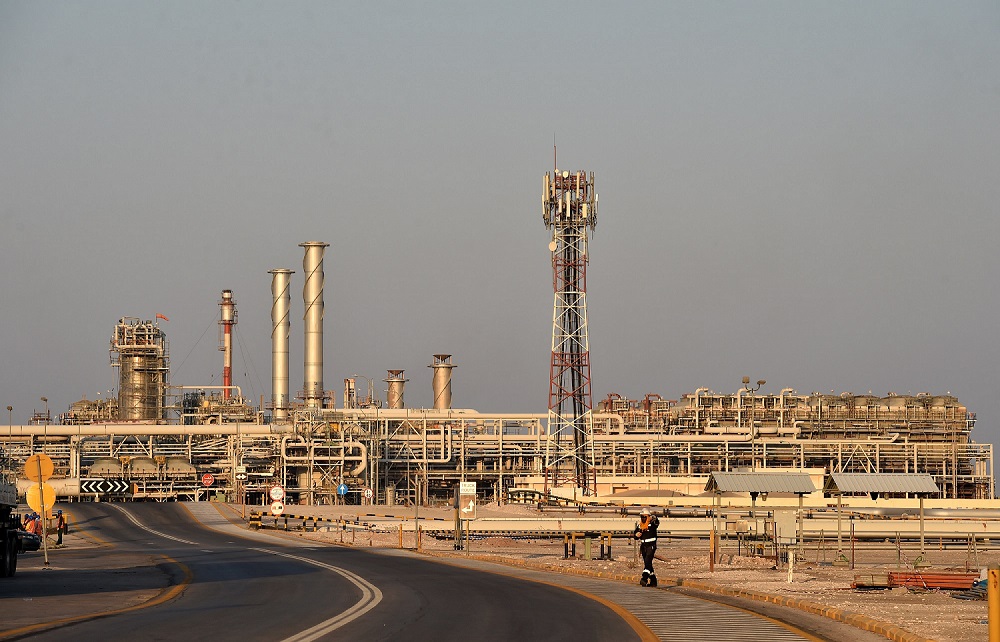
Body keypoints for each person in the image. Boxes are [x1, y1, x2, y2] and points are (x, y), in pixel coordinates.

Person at [633, 507, 659, 587]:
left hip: (651, 546)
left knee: (648, 562)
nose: (643, 518)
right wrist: (636, 535)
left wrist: (652, 517)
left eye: (645, 517)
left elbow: (657, 522)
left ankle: (644, 578)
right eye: (642, 517)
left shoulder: (652, 523)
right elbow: (635, 535)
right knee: (648, 564)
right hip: (643, 546)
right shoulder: (640, 525)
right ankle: (653, 580)